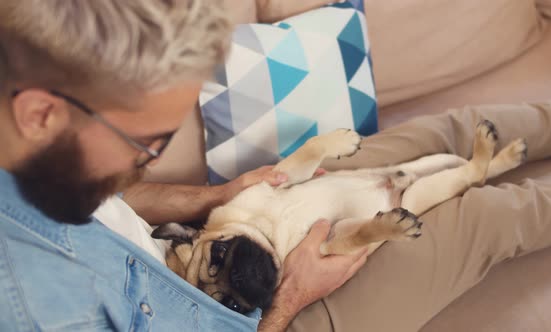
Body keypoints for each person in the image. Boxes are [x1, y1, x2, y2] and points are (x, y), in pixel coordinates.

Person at [0, 1, 366, 331]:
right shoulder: (38, 310)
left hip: (228, 250)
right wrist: (292, 298)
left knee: (417, 141)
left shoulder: (45, 161)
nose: (154, 160)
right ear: (40, 114)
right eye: (144, 142)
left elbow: (115, 200)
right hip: (269, 311)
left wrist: (220, 195)